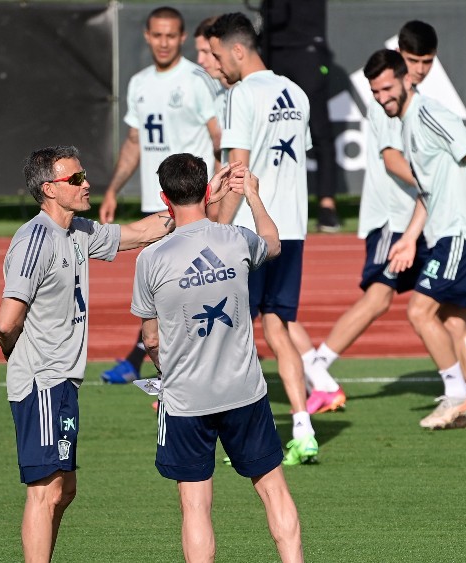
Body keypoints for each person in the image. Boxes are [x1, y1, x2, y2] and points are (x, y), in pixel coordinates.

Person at [0, 145, 186, 561]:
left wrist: (196, 202)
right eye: (76, 179)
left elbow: (140, 233)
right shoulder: (35, 240)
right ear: (49, 189)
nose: (87, 184)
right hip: (43, 381)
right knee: (46, 491)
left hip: (63, 381)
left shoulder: (78, 230)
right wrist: (21, 359)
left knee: (65, 490)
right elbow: (7, 322)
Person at [131, 153, 303, 563]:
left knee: (195, 505)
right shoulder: (235, 239)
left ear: (164, 197)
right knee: (274, 489)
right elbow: (273, 242)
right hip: (244, 390)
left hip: (186, 398)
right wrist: (253, 195)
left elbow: (151, 338)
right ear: (207, 190)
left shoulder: (150, 259)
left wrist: (165, 369)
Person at [365, 49, 466, 430]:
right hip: (447, 232)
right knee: (454, 322)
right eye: (375, 92)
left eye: (387, 88)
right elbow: (428, 191)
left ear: (406, 80)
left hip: (460, 232)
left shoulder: (429, 114)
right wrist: (409, 238)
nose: (382, 97)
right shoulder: (406, 123)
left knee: (419, 312)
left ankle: (457, 394)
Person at [299, 20, 438, 415]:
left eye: (426, 61)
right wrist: (435, 183)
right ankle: (318, 366)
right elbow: (393, 160)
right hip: (392, 218)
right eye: (412, 60)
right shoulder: (388, 101)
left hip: (416, 217)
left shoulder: (416, 100)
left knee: (442, 301)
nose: (419, 69)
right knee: (379, 298)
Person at [205, 12, 320, 464]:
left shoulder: (242, 94)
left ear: (238, 50)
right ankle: (304, 429)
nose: (217, 65)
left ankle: (248, 438)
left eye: (218, 56)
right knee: (277, 326)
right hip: (292, 229)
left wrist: (215, 230)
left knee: (233, 334)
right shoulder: (296, 92)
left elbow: (239, 170)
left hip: (251, 231)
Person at [99, 6, 223, 385]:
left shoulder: (197, 80)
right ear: (147, 36)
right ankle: (152, 363)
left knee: (186, 288)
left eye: (171, 35)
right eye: (158, 35)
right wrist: (113, 190)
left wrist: (215, 199)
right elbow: (134, 142)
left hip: (192, 205)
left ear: (182, 37)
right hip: (159, 205)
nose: (164, 42)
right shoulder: (139, 83)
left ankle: (175, 370)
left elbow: (220, 139)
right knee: (162, 289)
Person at [260, 0, 341, 232]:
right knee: (269, 129)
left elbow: (282, 14)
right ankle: (269, 201)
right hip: (272, 50)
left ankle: (327, 204)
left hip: (307, 49)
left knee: (319, 129)